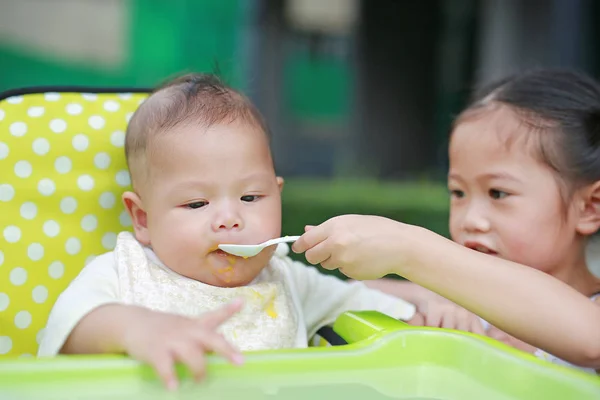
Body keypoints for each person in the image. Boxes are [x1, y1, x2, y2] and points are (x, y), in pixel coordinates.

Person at [37, 73, 418, 390]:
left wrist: (428, 297)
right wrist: (139, 329)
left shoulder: (284, 277)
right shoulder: (124, 272)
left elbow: (360, 297)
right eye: (197, 204)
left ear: (278, 195)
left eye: (251, 197)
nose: (229, 219)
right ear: (143, 219)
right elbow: (70, 326)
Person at [292, 68, 600, 372]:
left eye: (498, 193)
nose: (471, 219)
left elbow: (591, 339)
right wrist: (430, 299)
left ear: (590, 207)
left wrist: (409, 248)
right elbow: (359, 287)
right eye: (458, 192)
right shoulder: (466, 308)